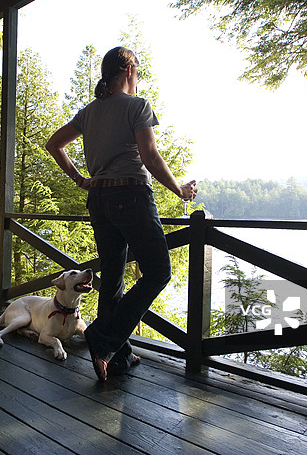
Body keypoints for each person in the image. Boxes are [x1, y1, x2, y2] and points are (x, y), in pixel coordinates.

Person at [45, 46, 196, 382]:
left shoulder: (88, 112)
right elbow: (150, 156)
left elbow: (54, 144)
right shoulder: (137, 105)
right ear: (129, 70)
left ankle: (117, 357)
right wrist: (180, 191)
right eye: (137, 70)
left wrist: (81, 180)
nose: (138, 77)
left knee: (113, 278)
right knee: (158, 272)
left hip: (99, 199)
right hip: (131, 195)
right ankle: (103, 337)